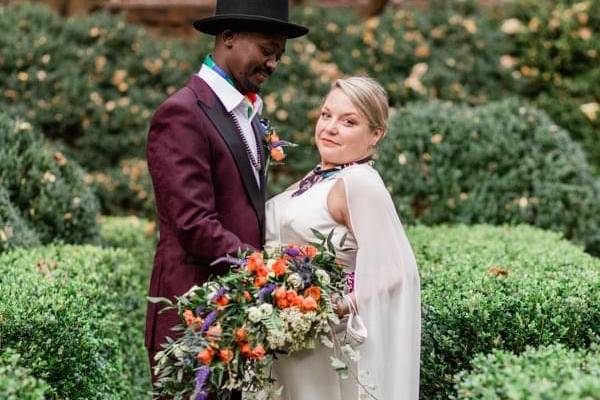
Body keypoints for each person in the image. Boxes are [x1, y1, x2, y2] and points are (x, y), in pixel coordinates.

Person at [144, 0, 308, 395]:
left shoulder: (245, 114)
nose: (273, 64)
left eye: (279, 56)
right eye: (267, 51)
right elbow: (194, 224)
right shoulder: (182, 113)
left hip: (238, 314)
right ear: (228, 37)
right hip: (193, 314)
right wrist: (265, 270)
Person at [264, 77, 421, 399]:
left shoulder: (358, 182)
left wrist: (334, 307)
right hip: (289, 337)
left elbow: (397, 271)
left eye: (349, 121)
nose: (330, 127)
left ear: (375, 134)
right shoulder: (320, 176)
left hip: (322, 342)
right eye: (326, 115)